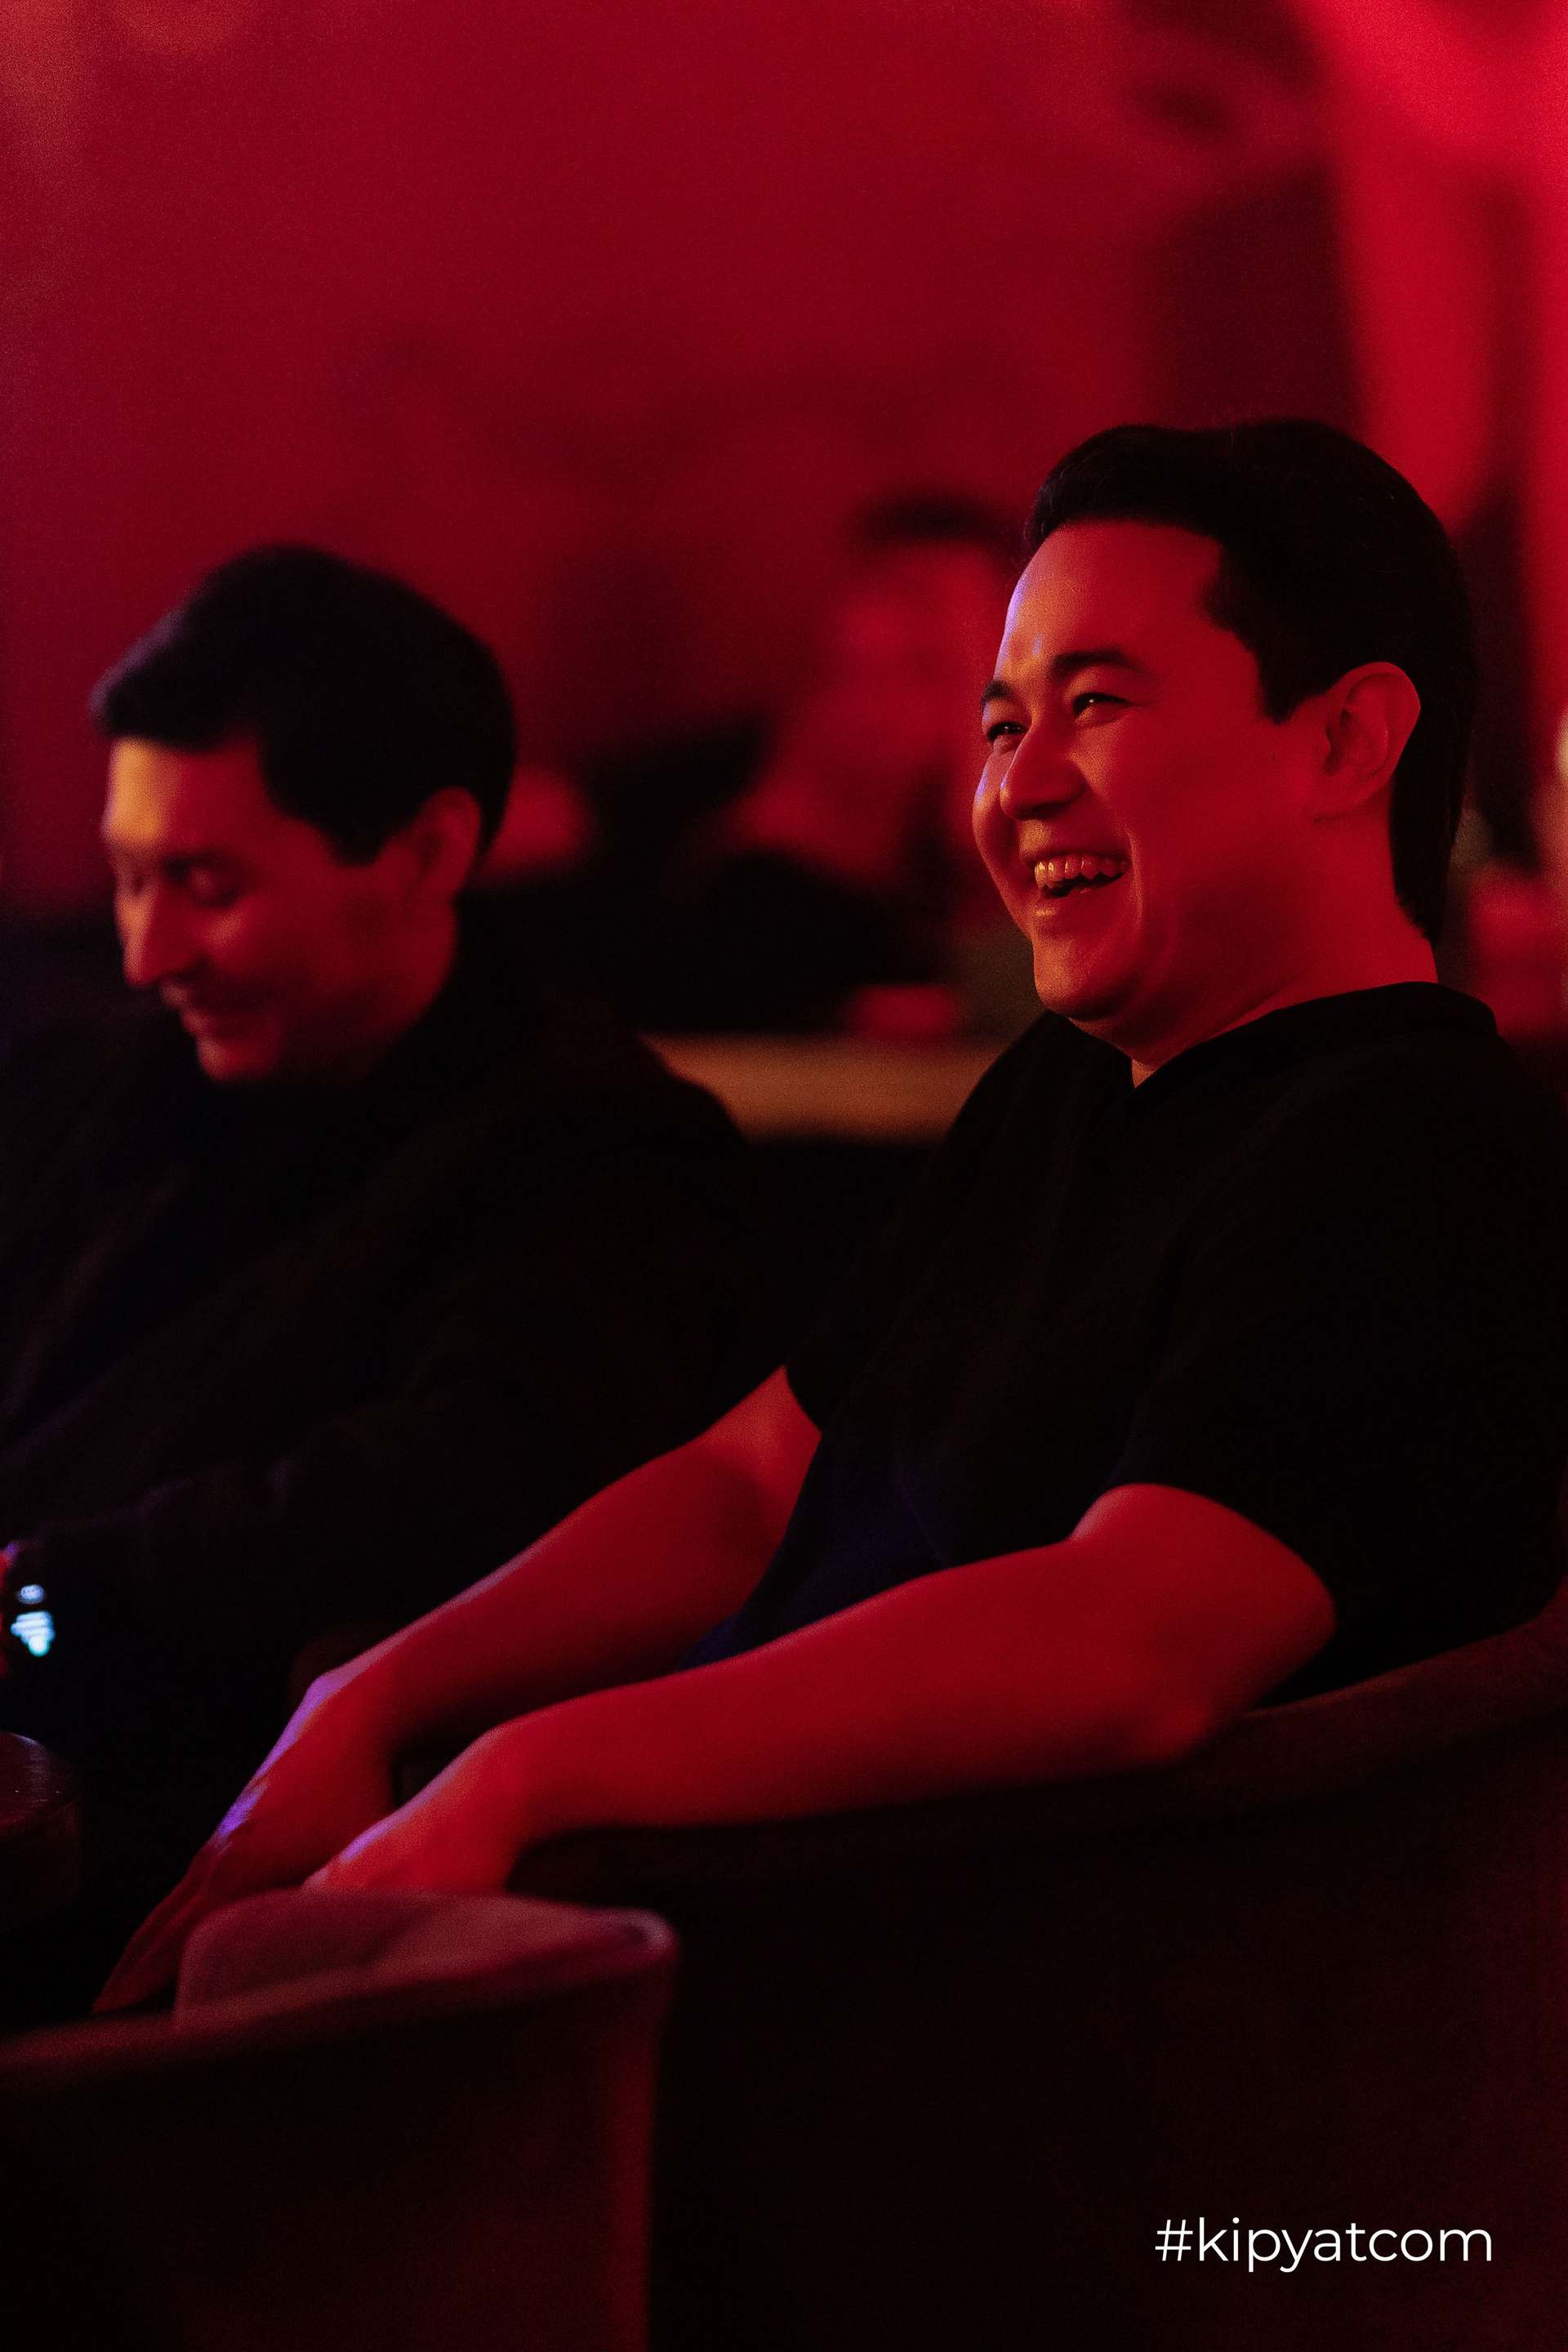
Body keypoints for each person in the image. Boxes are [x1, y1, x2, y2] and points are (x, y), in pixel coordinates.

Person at [100, 421, 1568, 2010]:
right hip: (760, 1913)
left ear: (1345, 740)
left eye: (1094, 706)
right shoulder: (1072, 1085)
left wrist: (531, 1775)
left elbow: (1133, 1645)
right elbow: (755, 1483)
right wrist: (379, 1701)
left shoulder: (1409, 1145)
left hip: (964, 2007)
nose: (1014, 788)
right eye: (1000, 724)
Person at [0, 546, 766, 2012]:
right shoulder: (100, 1082)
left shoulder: (600, 1150)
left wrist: (54, 1586)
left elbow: (470, 1479)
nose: (148, 950)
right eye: (129, 878)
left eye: (209, 886)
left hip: (153, 1838)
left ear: (427, 854)